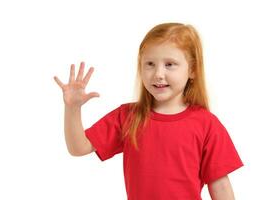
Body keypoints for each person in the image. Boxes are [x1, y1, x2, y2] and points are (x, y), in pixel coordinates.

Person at [54, 22, 243, 200]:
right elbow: (78, 148)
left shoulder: (207, 124)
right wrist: (72, 108)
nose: (158, 74)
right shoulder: (127, 116)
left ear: (192, 70)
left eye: (169, 64)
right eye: (150, 64)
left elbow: (220, 185)